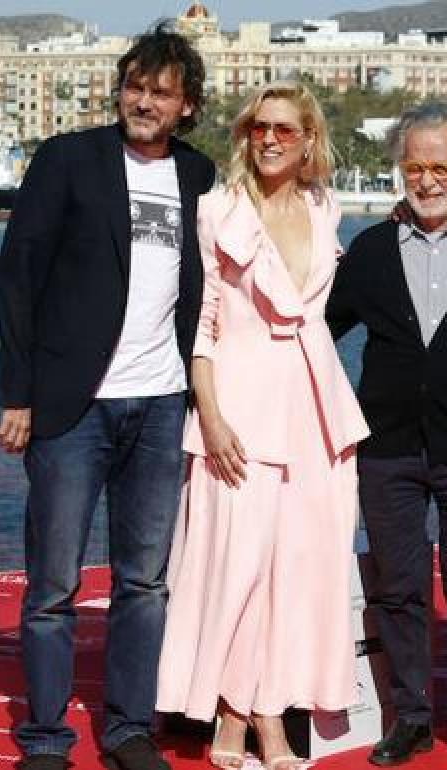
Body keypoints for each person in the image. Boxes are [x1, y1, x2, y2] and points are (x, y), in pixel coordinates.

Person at [0, 25, 215, 770]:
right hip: (71, 409)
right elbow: (18, 278)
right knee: (53, 586)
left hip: (162, 405)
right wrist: (18, 395)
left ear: (187, 106)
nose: (143, 101)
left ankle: (127, 730)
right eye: (135, 86)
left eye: (161, 92)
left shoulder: (200, 176)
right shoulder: (68, 161)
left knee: (144, 583)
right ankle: (48, 737)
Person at [154, 81, 369, 770]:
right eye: (259, 127)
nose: (270, 138)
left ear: (309, 141)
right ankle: (229, 709)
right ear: (245, 135)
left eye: (285, 128)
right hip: (238, 413)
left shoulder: (325, 207)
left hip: (315, 413)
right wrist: (209, 417)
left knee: (299, 573)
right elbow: (203, 325)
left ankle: (272, 714)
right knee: (236, 566)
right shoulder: (217, 211)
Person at [326, 102, 447, 769]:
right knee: (399, 587)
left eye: (441, 166)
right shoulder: (373, 251)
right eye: (414, 166)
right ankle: (409, 715)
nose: (428, 180)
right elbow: (317, 332)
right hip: (389, 448)